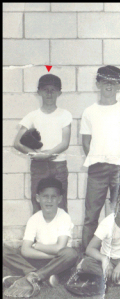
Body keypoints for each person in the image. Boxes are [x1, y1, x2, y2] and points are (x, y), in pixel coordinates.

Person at [80, 65, 120, 250]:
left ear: (119, 85)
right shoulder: (89, 111)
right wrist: (99, 157)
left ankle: (118, 253)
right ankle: (88, 257)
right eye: (105, 81)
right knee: (91, 215)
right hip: (97, 168)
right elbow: (86, 142)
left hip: (119, 167)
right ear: (98, 84)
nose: (109, 86)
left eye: (113, 82)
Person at [3, 177, 78, 295]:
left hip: (60, 261)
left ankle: (33, 276)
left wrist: (38, 246)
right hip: (44, 260)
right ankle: (42, 276)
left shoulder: (64, 217)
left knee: (71, 253)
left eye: (53, 197)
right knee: (4, 250)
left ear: (59, 199)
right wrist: (49, 255)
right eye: (45, 196)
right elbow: (25, 250)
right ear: (38, 198)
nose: (49, 200)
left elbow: (60, 248)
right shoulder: (34, 219)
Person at [13, 74, 72, 214]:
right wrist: (36, 154)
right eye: (45, 89)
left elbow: (65, 143)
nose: (49, 93)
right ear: (39, 92)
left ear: (59, 92)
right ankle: (39, 236)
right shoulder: (32, 116)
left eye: (53, 89)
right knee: (38, 202)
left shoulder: (65, 114)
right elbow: (17, 143)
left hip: (58, 165)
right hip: (38, 165)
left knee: (61, 203)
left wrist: (48, 154)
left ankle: (61, 235)